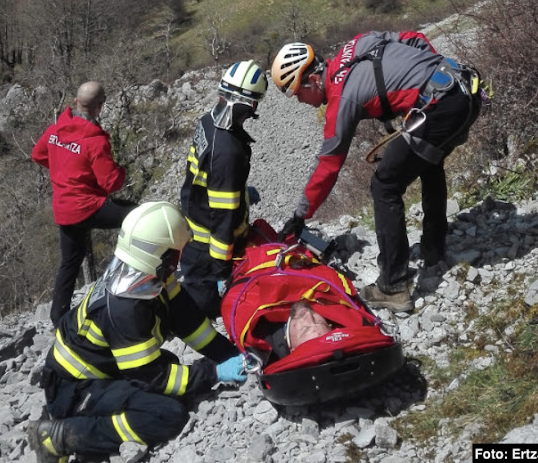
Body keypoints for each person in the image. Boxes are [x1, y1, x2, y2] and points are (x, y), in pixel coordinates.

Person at [271, 33, 482, 312]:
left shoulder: (342, 97)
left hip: (441, 105)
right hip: (462, 86)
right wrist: (428, 74)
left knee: (384, 186)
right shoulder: (356, 44)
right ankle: (433, 250)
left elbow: (329, 163)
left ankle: (393, 287)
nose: (299, 101)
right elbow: (415, 39)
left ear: (312, 79)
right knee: (429, 162)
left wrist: (300, 215)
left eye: (296, 93)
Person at [26, 201, 246, 463]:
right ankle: (58, 436)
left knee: (172, 366)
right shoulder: (125, 306)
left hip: (98, 373)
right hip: (71, 389)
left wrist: (231, 354)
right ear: (159, 254)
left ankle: (87, 420)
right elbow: (152, 377)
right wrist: (215, 372)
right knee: (166, 415)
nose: (178, 262)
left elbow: (189, 322)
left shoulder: (146, 275)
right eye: (175, 254)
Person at [32, 81, 137, 327]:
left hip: (64, 209)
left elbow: (38, 154)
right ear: (100, 107)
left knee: (71, 260)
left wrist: (63, 171)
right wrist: (121, 171)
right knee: (136, 216)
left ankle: (58, 318)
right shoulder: (95, 141)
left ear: (76, 101)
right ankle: (134, 283)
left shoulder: (57, 129)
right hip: (87, 206)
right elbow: (111, 182)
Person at [180, 60, 268, 319]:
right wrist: (221, 267)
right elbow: (223, 216)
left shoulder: (208, 122)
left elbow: (206, 177)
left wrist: (241, 194)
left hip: (194, 223)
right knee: (201, 311)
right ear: (251, 104)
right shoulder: (228, 150)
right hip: (207, 249)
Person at [260, 301, 333, 360]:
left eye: (305, 329)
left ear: (293, 350)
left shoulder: (260, 340)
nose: (308, 315)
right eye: (320, 323)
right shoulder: (329, 303)